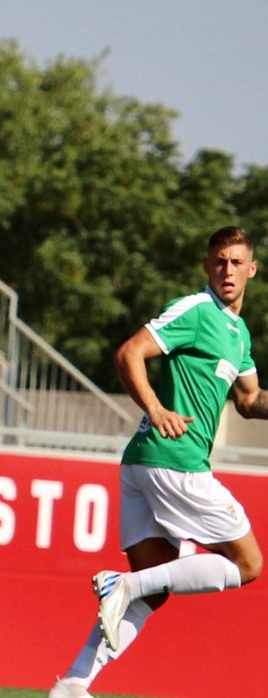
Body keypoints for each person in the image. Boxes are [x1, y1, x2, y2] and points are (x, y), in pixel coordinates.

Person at [49, 226, 265, 698]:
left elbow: (249, 400)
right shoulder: (196, 310)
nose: (227, 270)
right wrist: (155, 408)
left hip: (145, 466)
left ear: (252, 269)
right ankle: (119, 583)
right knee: (249, 564)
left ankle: (73, 684)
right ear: (207, 265)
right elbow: (130, 352)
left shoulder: (238, 332)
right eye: (219, 260)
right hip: (175, 461)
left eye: (236, 262)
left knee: (151, 590)